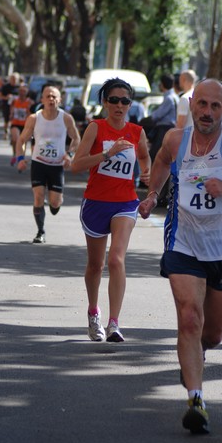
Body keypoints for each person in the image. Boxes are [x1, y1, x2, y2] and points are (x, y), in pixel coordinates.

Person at [139, 78, 222, 434]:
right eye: (202, 104)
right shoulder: (175, 139)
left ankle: (194, 357)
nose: (207, 112)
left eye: (215, 106)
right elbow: (162, 161)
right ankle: (196, 400)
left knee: (212, 335)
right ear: (191, 103)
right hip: (183, 242)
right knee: (189, 318)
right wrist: (153, 194)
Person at [71, 78, 151, 343]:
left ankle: (114, 323)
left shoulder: (137, 132)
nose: (119, 105)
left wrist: (147, 174)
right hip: (96, 202)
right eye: (114, 100)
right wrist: (108, 154)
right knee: (96, 265)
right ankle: (94, 313)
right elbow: (76, 165)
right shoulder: (96, 128)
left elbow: (143, 157)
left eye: (125, 101)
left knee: (116, 259)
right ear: (105, 102)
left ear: (130, 104)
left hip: (125, 203)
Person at [15, 85, 80, 243]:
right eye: (48, 96)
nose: (51, 99)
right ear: (42, 99)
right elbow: (22, 140)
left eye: (54, 96)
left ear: (60, 99)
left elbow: (76, 138)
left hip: (57, 166)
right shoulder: (34, 118)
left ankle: (56, 202)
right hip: (39, 163)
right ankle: (40, 232)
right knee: (38, 197)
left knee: (54, 203)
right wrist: (20, 159)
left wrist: (70, 155)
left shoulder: (66, 118)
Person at [9, 83, 32, 165]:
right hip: (15, 123)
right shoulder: (14, 100)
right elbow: (12, 108)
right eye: (21, 91)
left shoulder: (29, 102)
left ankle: (21, 159)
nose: (22, 93)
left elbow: (31, 114)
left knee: (23, 142)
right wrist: (11, 114)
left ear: (27, 93)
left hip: (25, 125)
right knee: (15, 139)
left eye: (24, 91)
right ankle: (15, 154)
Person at [0, 73, 20, 139]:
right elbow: (0, 95)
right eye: (12, 79)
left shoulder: (19, 87)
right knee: (7, 120)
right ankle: (6, 132)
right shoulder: (5, 87)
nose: (14, 80)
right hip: (7, 105)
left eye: (15, 79)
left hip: (17, 107)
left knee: (14, 120)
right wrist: (6, 97)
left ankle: (13, 133)